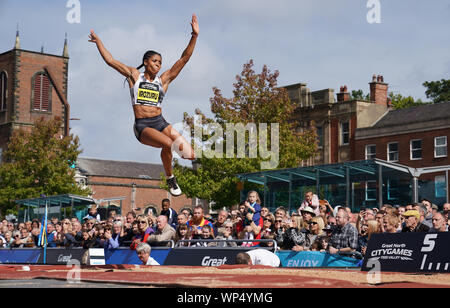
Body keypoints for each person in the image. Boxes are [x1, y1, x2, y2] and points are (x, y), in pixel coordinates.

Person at [89, 14, 199, 196]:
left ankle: (171, 168)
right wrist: (99, 41)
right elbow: (111, 61)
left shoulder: (163, 80)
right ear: (146, 62)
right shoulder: (134, 76)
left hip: (160, 122)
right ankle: (170, 178)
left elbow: (184, 59)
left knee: (190, 155)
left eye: (160, 63)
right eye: (155, 61)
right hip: (142, 125)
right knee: (168, 144)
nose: (158, 65)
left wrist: (194, 36)